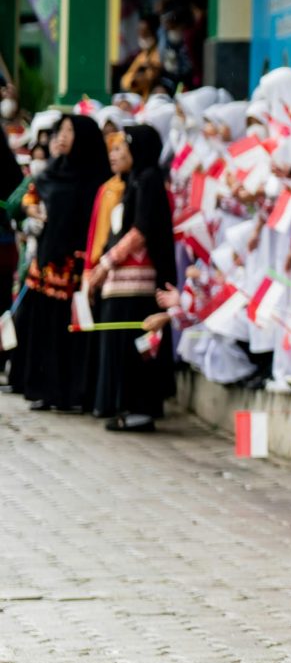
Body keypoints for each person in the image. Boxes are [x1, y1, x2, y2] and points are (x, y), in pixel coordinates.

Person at [90, 122, 177, 432]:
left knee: (137, 347)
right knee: (124, 347)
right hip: (123, 283)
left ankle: (142, 409)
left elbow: (140, 232)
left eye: (124, 146)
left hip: (139, 285)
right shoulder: (136, 181)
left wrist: (106, 263)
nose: (118, 153)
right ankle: (128, 406)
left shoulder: (149, 180)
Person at [21, 115, 111, 413]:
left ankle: (75, 391)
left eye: (70, 131)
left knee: (72, 328)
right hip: (47, 265)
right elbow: (27, 198)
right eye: (60, 130)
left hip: (76, 266)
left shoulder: (96, 178)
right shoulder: (50, 172)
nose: (61, 136)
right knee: (46, 328)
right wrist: (32, 211)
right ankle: (46, 390)